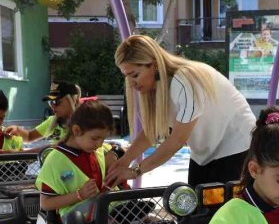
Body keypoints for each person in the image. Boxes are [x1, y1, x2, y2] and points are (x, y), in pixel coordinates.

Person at [107, 35, 256, 187]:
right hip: (204, 153)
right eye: (127, 77)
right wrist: (123, 162)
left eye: (135, 75)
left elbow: (177, 140)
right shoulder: (159, 87)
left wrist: (135, 171)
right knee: (197, 206)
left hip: (238, 145)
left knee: (223, 208)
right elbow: (150, 132)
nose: (131, 84)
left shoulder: (185, 80)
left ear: (154, 65)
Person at [35, 101, 120, 221]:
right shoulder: (55, 160)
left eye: (103, 138)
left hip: (107, 211)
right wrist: (79, 195)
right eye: (95, 138)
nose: (100, 144)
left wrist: (113, 155)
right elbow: (46, 203)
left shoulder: (96, 149)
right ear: (76, 131)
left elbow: (114, 149)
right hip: (77, 222)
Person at [5, 81, 81, 144]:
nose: (53, 107)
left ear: (73, 100)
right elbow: (29, 136)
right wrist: (17, 130)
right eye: (51, 102)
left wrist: (18, 154)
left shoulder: (84, 123)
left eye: (56, 101)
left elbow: (57, 148)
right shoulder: (53, 120)